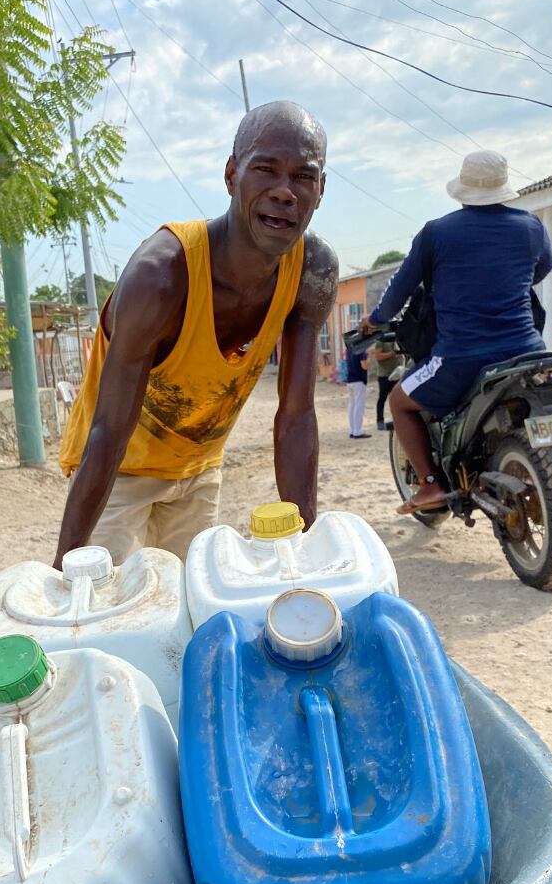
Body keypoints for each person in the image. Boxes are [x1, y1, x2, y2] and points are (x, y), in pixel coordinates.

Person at [55, 101, 339, 566]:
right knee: (100, 610)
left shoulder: (313, 271)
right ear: (232, 175)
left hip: (198, 470)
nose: (285, 192)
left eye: (303, 177)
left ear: (321, 189)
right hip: (118, 472)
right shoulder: (163, 275)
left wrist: (302, 553)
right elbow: (109, 430)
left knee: (189, 612)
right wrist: (67, 568)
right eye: (265, 170)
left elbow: (295, 417)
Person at [361, 150, 551, 515]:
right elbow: (540, 270)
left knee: (400, 401)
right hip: (529, 350)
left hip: (461, 358)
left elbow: (398, 290)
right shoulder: (531, 226)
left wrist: (375, 319)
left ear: (462, 191)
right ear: (503, 187)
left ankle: (430, 487)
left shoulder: (437, 233)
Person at [367, 339, 401, 431]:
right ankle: (380, 421)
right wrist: (391, 354)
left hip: (397, 373)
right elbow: (378, 356)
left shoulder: (398, 339)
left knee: (397, 399)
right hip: (384, 375)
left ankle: (397, 421)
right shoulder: (381, 341)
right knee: (382, 398)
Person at [344, 341, 370, 439]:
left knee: (352, 405)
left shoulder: (348, 349)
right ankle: (358, 431)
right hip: (359, 380)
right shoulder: (361, 349)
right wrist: (369, 358)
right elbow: (364, 365)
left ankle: (352, 430)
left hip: (350, 379)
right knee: (359, 406)